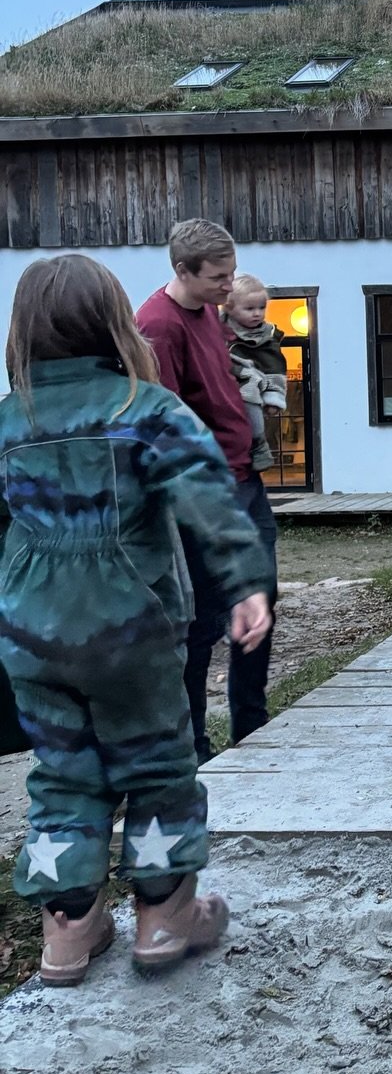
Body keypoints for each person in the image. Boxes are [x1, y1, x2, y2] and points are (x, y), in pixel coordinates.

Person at [0, 255, 272, 987]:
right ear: (115, 325)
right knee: (155, 764)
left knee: (62, 772)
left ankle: (69, 929)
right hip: (130, 624)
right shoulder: (143, 410)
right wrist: (246, 583)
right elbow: (210, 497)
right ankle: (161, 915)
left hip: (30, 633)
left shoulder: (7, 422)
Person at [136, 220, 278, 759]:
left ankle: (252, 726)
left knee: (259, 597)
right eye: (219, 277)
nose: (229, 285)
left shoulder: (205, 316)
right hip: (205, 494)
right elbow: (163, 423)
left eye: (232, 273)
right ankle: (192, 744)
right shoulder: (157, 327)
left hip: (245, 478)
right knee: (202, 623)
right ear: (182, 271)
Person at [221, 275, 290, 475]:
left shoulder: (266, 337)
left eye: (261, 308)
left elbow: (275, 367)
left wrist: (273, 398)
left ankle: (259, 444)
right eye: (250, 309)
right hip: (225, 382)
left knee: (251, 399)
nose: (257, 314)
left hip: (252, 384)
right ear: (229, 308)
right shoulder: (218, 330)